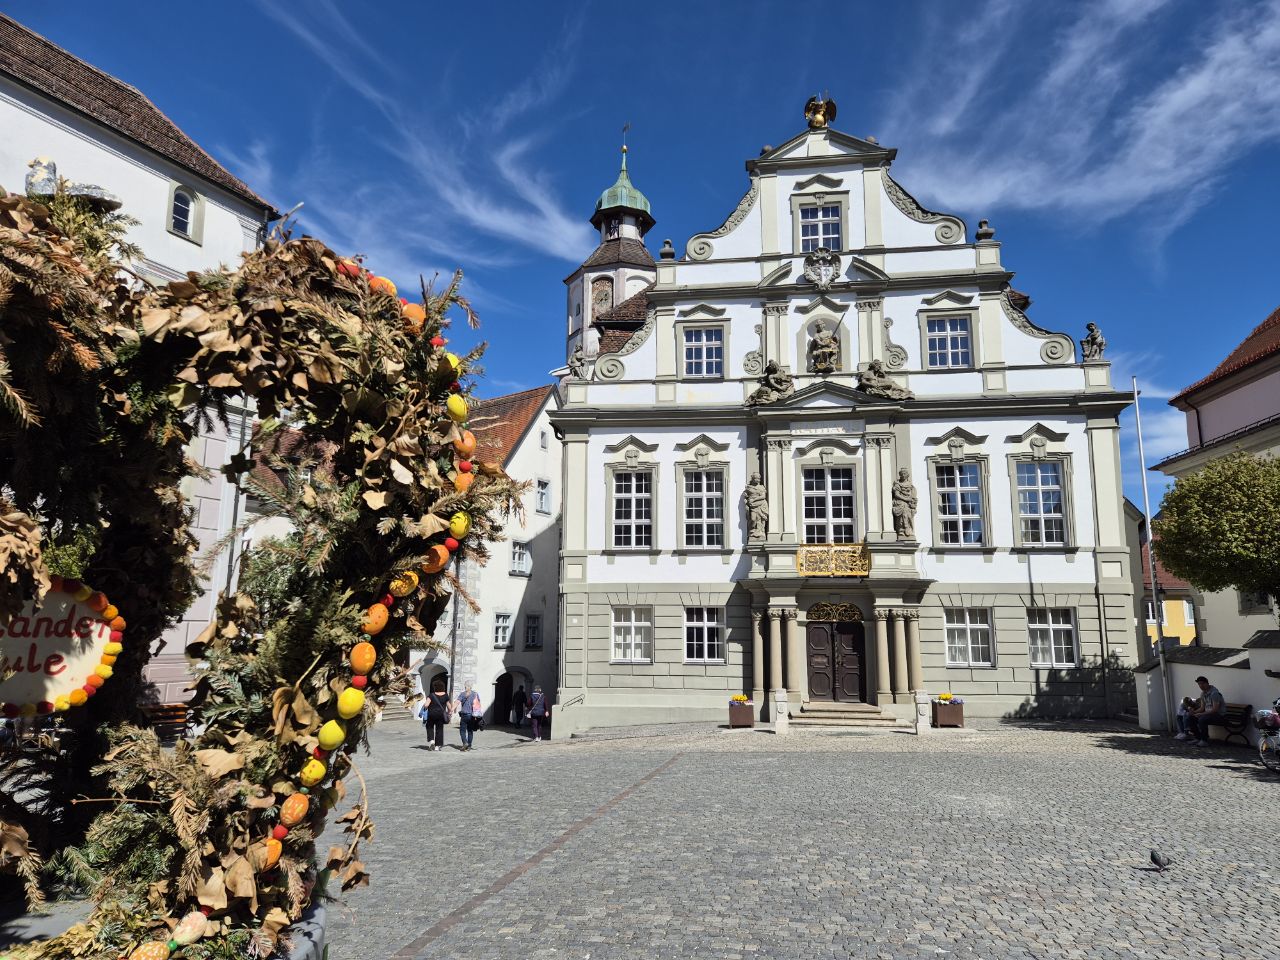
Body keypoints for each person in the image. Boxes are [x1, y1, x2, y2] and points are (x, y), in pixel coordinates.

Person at [1185, 676, 1226, 746]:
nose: (1201, 686)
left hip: (1219, 715)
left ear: (1207, 683)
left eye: (1202, 683)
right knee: (1190, 717)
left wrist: (1201, 714)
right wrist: (1194, 712)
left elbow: (1215, 710)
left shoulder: (1214, 693)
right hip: (1209, 714)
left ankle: (1204, 740)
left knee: (1202, 719)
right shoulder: (1203, 694)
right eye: (1199, 684)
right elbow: (1202, 708)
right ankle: (1198, 738)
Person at [419, 681, 450, 752]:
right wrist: (450, 712)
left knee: (429, 727)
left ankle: (432, 741)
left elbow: (426, 705)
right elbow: (449, 706)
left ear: (435, 687)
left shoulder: (431, 695)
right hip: (441, 715)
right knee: (439, 729)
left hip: (431, 714)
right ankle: (437, 747)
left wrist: (426, 707)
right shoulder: (446, 695)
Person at [454, 681, 482, 751]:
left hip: (464, 715)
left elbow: (457, 702)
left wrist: (452, 709)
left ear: (465, 686)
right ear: (471, 686)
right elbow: (478, 704)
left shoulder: (462, 694)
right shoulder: (475, 694)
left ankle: (465, 743)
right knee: (470, 731)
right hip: (472, 715)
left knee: (462, 730)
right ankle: (469, 746)